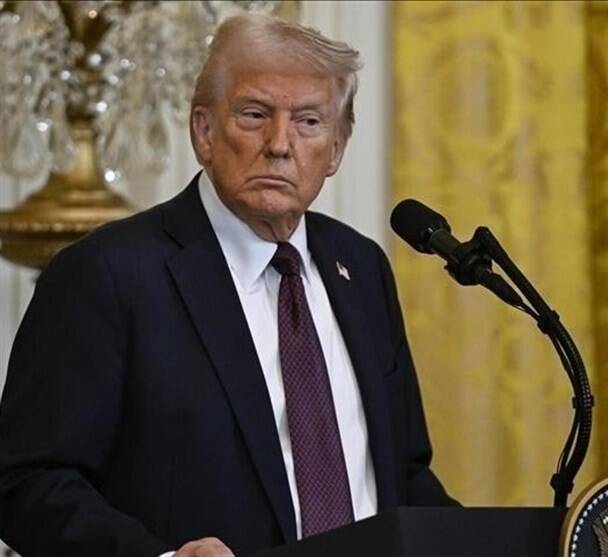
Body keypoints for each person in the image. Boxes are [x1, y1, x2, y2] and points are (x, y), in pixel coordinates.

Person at [0, 14, 455, 557]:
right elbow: (28, 482)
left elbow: (402, 473)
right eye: (254, 114)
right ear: (204, 132)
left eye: (309, 121)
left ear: (336, 149)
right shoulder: (108, 274)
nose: (279, 144)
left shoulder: (360, 267)